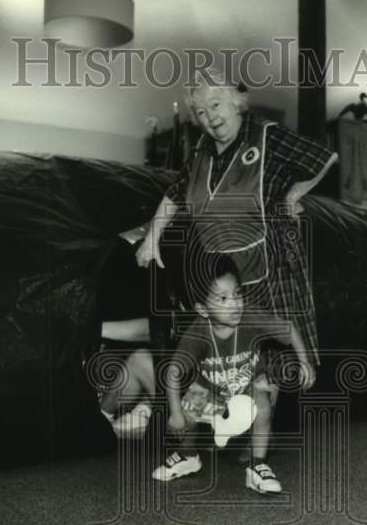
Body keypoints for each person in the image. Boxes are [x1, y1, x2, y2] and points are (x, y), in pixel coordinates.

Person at [135, 70, 337, 370]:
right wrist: (152, 237)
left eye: (215, 105)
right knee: (227, 363)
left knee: (270, 368)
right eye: (201, 112)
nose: (210, 118)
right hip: (222, 272)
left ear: (235, 102)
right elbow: (176, 192)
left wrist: (291, 196)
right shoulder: (200, 151)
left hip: (268, 271)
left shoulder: (267, 135)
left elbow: (322, 158)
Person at [151, 254, 315, 494]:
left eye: (237, 294)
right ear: (203, 309)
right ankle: (188, 456)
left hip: (247, 384)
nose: (235, 303)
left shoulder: (250, 316)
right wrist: (175, 412)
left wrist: (304, 361)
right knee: (183, 419)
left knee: (263, 404)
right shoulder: (198, 331)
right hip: (209, 388)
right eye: (223, 299)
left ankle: (258, 466)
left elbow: (289, 329)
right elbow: (173, 371)